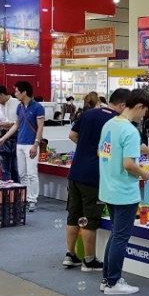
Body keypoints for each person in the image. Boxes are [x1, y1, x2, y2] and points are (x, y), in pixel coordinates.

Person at [98, 88, 149, 295]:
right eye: (145, 110)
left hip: (108, 187)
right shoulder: (130, 131)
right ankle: (113, 282)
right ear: (139, 106)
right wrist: (144, 174)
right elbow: (129, 164)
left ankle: (107, 279)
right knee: (121, 237)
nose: (144, 115)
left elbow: (104, 153)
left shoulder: (109, 124)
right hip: (124, 191)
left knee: (115, 235)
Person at [63, 92, 119, 272]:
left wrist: (85, 147)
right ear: (123, 105)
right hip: (94, 176)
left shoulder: (87, 114)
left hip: (75, 172)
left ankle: (70, 255)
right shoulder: (116, 121)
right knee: (89, 219)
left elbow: (72, 135)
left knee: (74, 215)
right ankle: (89, 260)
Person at [0, 81, 44, 212]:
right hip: (19, 143)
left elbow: (40, 128)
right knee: (22, 174)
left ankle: (32, 200)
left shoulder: (38, 107)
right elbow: (16, 125)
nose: (15, 93)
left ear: (24, 92)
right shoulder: (19, 107)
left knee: (32, 173)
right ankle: (25, 198)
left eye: (16, 91)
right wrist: (2, 139)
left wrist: (36, 144)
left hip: (31, 144)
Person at [0, 85, 20, 183]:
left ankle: (18, 190)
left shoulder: (18, 103)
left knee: (16, 168)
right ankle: (6, 190)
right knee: (4, 169)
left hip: (17, 138)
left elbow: (22, 121)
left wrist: (11, 124)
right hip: (2, 138)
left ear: (1, 95)